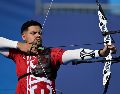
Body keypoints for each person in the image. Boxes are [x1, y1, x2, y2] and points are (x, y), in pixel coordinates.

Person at [0, 20, 116, 94]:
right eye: (33, 33)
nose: (38, 35)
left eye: (40, 33)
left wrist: (100, 52)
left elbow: (73, 54)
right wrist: (19, 45)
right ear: (23, 36)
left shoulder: (51, 53)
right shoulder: (18, 53)